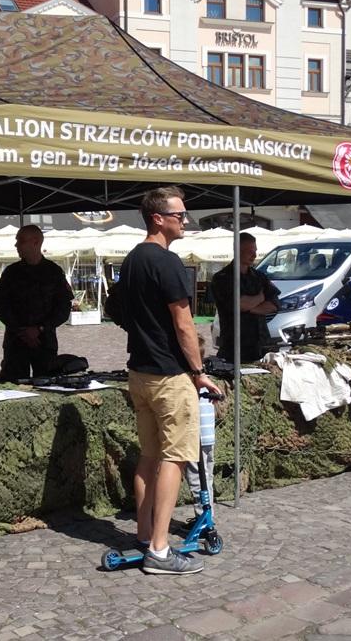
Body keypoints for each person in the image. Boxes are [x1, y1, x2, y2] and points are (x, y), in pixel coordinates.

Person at [119, 186, 222, 575]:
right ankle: (160, 551)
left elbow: (119, 310)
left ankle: (145, 535)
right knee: (175, 458)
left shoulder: (132, 259)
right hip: (169, 375)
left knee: (148, 456)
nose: (185, 221)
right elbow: (184, 323)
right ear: (158, 218)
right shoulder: (166, 261)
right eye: (179, 215)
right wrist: (198, 372)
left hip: (139, 372)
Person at [0, 225, 73, 380]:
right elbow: (0, 305)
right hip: (16, 343)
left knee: (47, 385)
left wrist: (40, 328)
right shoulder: (11, 273)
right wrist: (22, 330)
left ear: (36, 242)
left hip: (44, 343)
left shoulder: (53, 272)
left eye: (21, 241)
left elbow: (63, 308)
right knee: (13, 386)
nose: (16, 245)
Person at [210, 232, 280, 363]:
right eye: (250, 251)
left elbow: (274, 304)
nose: (254, 255)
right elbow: (238, 304)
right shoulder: (222, 278)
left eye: (255, 251)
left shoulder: (259, 277)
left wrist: (249, 308)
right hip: (235, 347)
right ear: (238, 250)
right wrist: (260, 298)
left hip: (262, 345)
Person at [184, 335, 217, 525]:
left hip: (196, 438)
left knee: (198, 480)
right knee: (207, 478)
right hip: (208, 437)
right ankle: (208, 516)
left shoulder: (189, 383)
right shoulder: (207, 381)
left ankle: (203, 519)